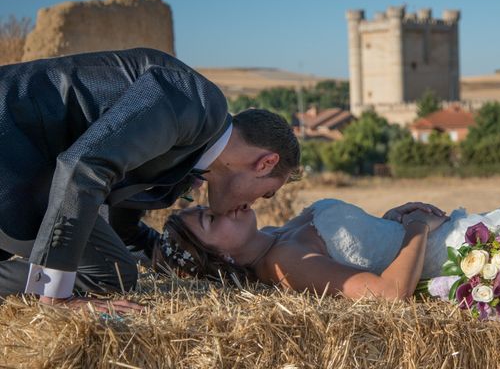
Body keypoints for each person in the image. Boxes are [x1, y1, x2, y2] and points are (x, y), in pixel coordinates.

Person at [155, 197, 500, 369]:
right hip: (454, 249)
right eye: (208, 219)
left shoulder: (281, 234)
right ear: (217, 255)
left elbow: (360, 240)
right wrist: (414, 230)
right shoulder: (286, 261)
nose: (220, 207)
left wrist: (389, 220)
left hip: (462, 228)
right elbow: (389, 295)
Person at [0, 47, 301, 310]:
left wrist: (180, 256)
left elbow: (120, 224)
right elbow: (84, 167)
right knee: (111, 273)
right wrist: (55, 295)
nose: (251, 205)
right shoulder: (193, 102)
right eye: (266, 194)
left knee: (115, 267)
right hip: (12, 151)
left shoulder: (194, 150)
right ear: (265, 163)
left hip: (24, 166)